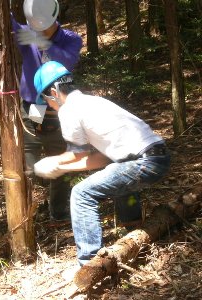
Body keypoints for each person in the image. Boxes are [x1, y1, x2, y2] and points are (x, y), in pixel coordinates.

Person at [32, 61, 171, 266]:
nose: (48, 104)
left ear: (54, 91)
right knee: (118, 175)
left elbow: (77, 155)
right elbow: (101, 159)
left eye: (46, 99)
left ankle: (90, 262)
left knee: (81, 194)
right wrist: (61, 166)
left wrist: (54, 162)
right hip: (158, 157)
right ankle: (135, 233)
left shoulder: (69, 109)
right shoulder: (92, 101)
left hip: (144, 162)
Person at [10, 0, 83, 223]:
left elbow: (66, 61)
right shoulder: (27, 32)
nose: (39, 30)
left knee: (60, 159)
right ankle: (25, 214)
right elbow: (6, 23)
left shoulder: (71, 39)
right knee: (29, 162)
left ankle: (59, 212)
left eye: (44, 27)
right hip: (34, 106)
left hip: (58, 106)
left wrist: (41, 43)